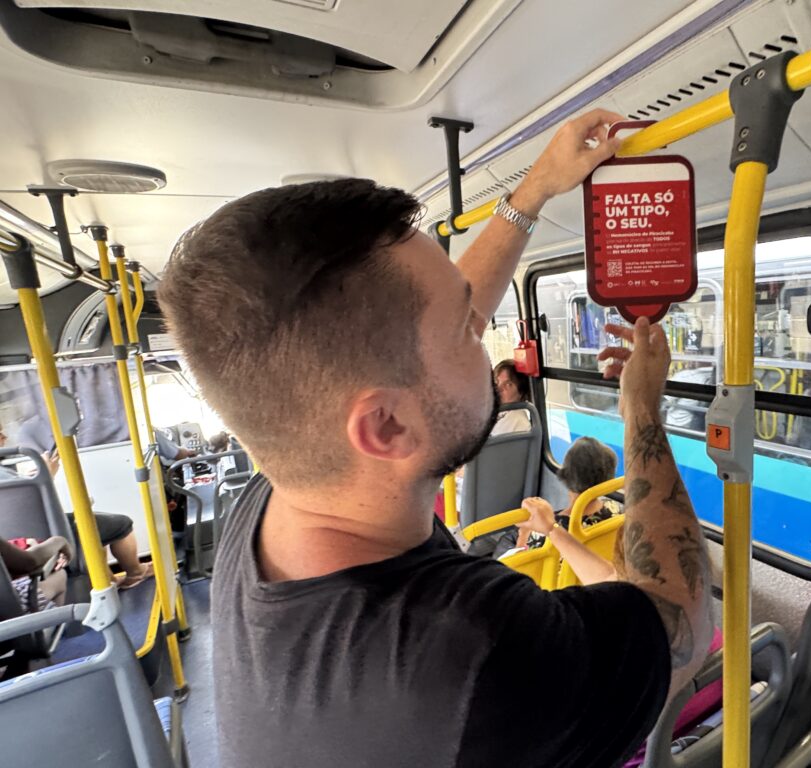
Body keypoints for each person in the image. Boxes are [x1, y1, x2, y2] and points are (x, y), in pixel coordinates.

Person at [158, 109, 713, 768]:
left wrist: (533, 191)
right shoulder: (472, 653)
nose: (483, 336)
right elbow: (681, 614)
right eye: (464, 331)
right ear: (386, 426)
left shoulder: (277, 488)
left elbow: (435, 318)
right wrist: (641, 411)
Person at [0, 421, 154, 590]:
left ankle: (108, 580)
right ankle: (135, 572)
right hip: (42, 536)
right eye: (0, 434)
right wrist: (47, 475)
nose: (5, 438)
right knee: (122, 524)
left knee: (97, 525)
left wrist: (36, 477)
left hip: (11, 542)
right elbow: (29, 506)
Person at [0, 534, 71, 613]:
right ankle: (51, 622)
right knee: (60, 575)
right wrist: (60, 541)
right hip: (10, 610)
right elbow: (29, 563)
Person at [491, 359, 533, 435]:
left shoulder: (519, 423)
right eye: (497, 382)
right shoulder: (498, 413)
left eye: (508, 384)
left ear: (521, 393)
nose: (499, 388)